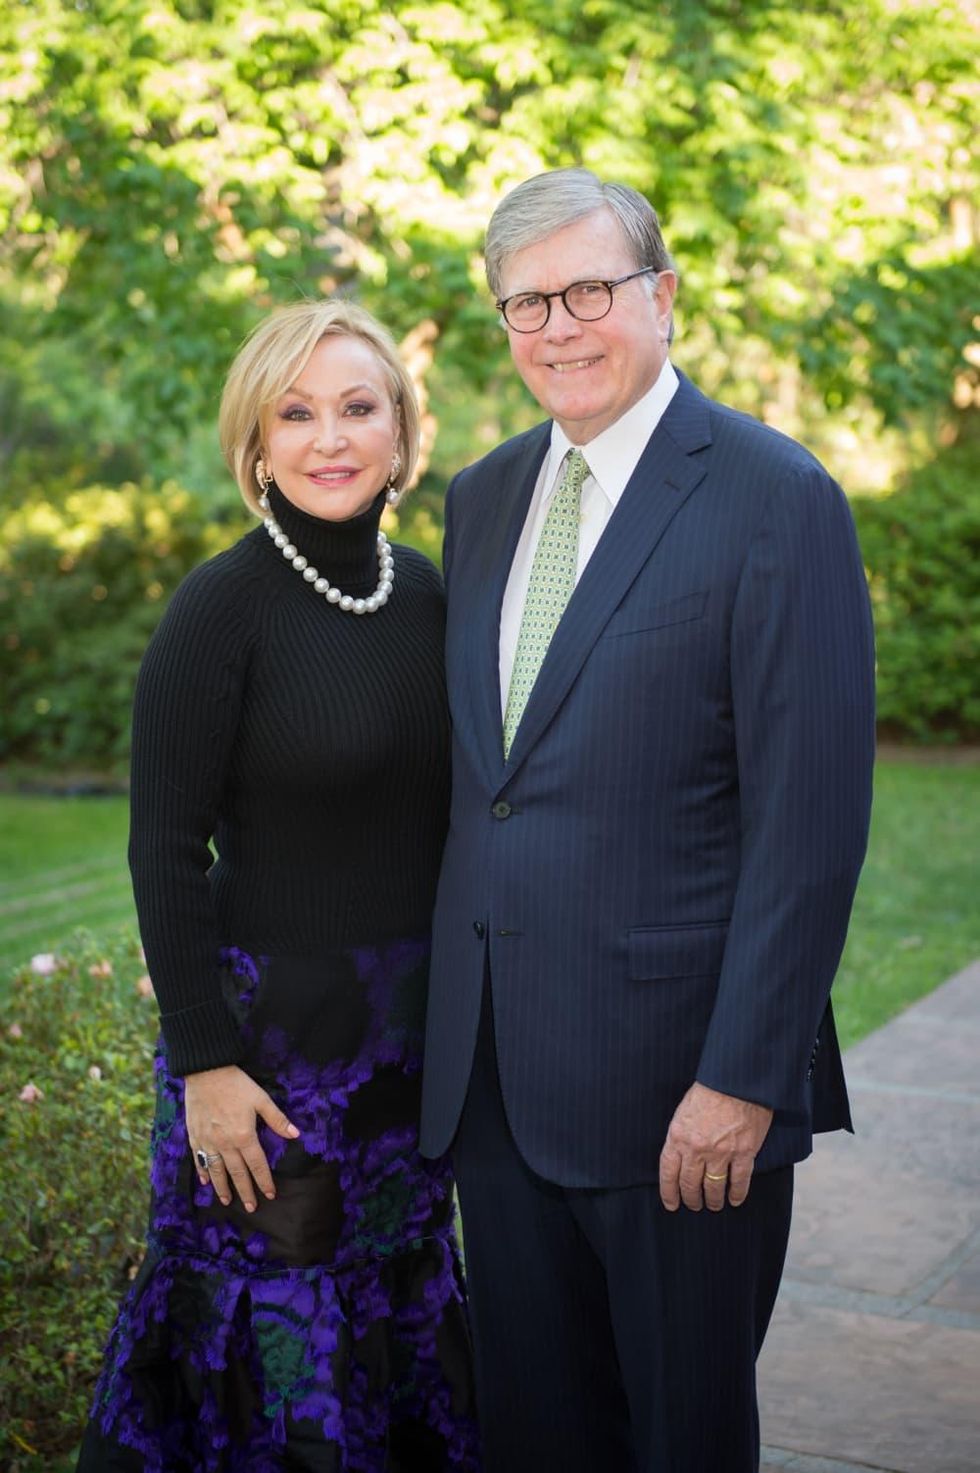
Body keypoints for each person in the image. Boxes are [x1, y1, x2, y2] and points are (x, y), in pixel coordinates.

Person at [420, 168, 876, 1473]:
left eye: (587, 290)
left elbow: (813, 826)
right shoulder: (485, 495)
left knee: (678, 1437)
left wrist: (741, 1076)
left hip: (681, 1098)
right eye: (524, 304)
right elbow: (495, 782)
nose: (557, 327)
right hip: (497, 1083)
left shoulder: (773, 498)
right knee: (536, 1435)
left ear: (663, 296)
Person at [77, 299, 480, 1471]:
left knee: (397, 1315)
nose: (330, 437)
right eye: (293, 413)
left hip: (409, 1049)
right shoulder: (219, 609)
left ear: (403, 434)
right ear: (254, 446)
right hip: (269, 1063)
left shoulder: (435, 600)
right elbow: (163, 850)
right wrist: (205, 1063)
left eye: (359, 407)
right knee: (277, 1338)